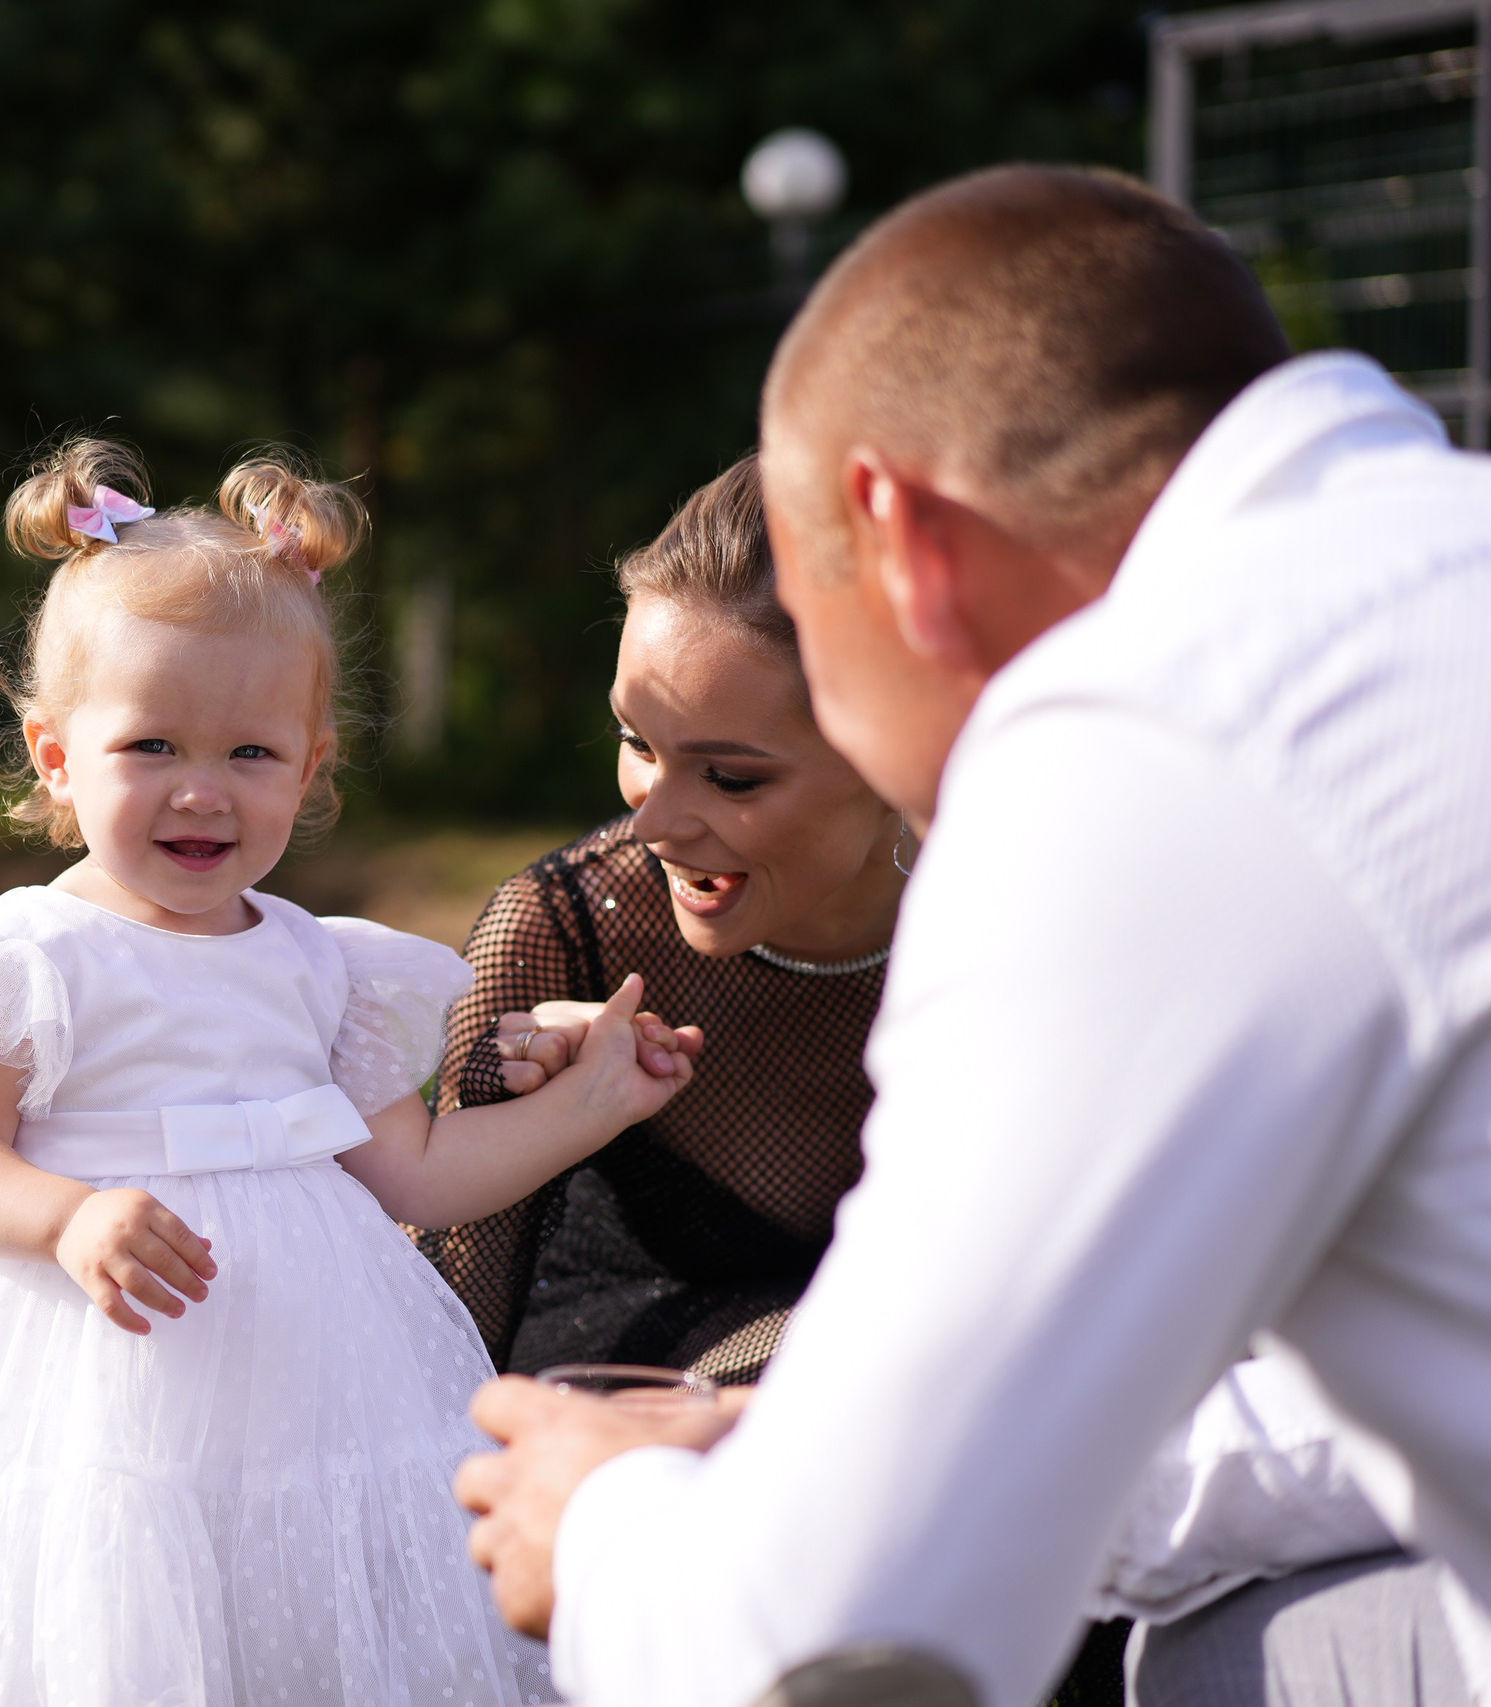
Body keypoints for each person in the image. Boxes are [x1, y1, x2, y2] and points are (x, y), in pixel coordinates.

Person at [453, 163, 1491, 1707]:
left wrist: (598, 1520)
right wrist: (809, 1440)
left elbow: (845, 1651)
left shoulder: (1155, 732)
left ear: (900, 537)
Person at [0, 440, 704, 1707]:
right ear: (55, 756)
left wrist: (591, 1104)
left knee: (297, 1610)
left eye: (250, 754)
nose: (202, 791)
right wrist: (68, 1213)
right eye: (152, 746)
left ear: (310, 770)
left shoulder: (323, 970)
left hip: (314, 1372)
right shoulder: (28, 956)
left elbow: (414, 1174)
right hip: (78, 1372)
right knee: (90, 1600)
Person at [423, 453, 903, 1390]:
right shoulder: (560, 929)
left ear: (888, 745)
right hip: (615, 1437)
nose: (653, 823)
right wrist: (508, 1106)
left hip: (918, 1430)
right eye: (636, 743)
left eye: (730, 776)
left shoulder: (1010, 919)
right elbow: (429, 1356)